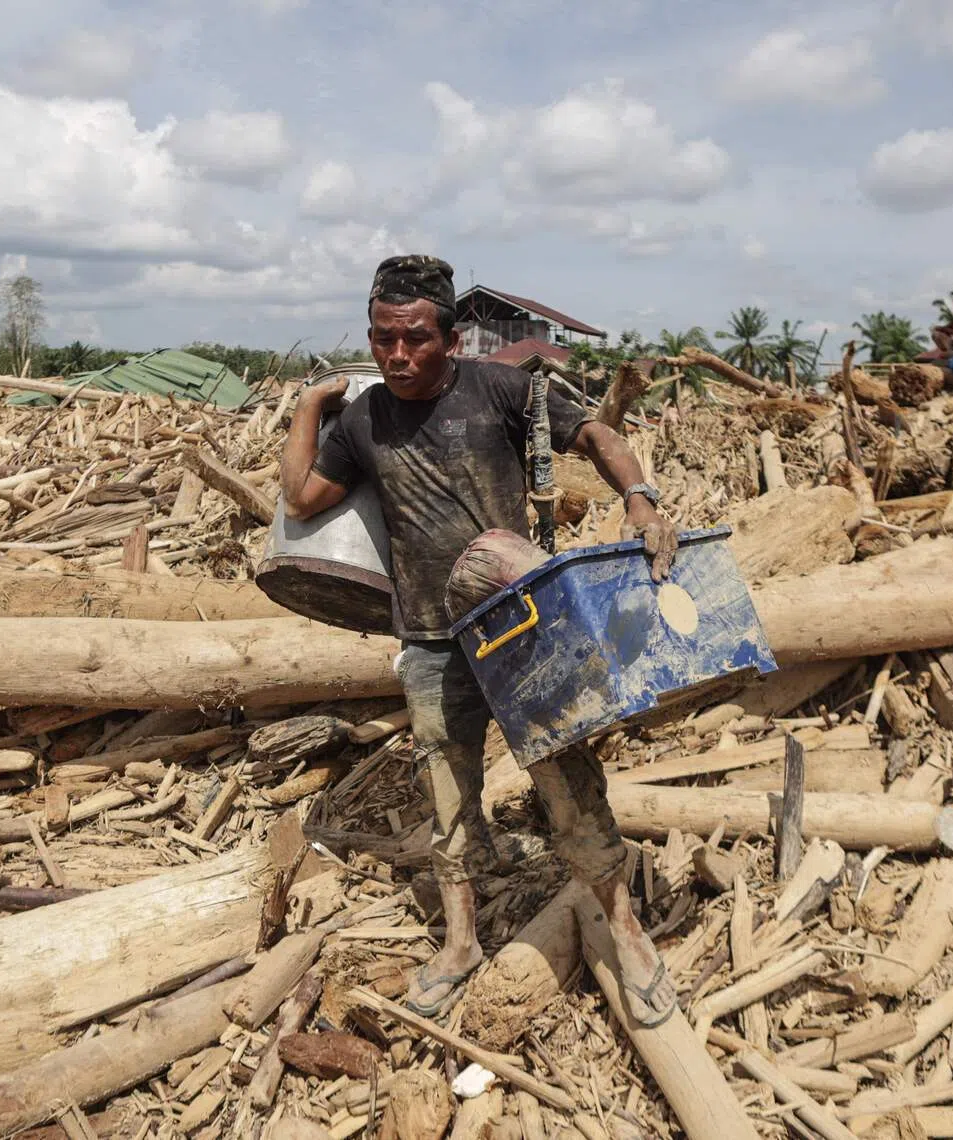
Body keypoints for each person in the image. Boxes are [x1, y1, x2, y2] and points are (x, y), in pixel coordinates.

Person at [281, 255, 679, 1025]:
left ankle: (624, 930)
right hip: (429, 639)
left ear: (451, 339)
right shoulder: (363, 418)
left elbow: (595, 432)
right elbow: (301, 501)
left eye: (415, 339)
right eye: (383, 340)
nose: (397, 356)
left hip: (518, 626)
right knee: (447, 792)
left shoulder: (501, 389)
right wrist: (310, 406)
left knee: (565, 774)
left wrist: (639, 498)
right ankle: (460, 942)